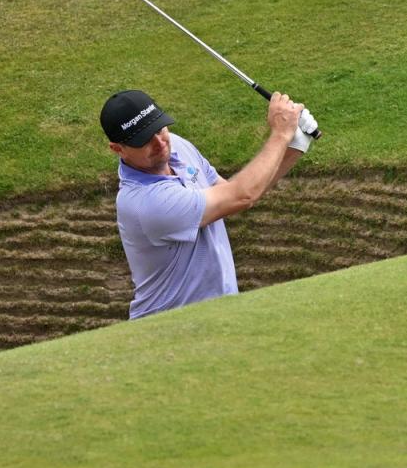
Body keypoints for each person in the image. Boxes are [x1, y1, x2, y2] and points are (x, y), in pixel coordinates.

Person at [99, 89, 318, 319]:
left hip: (218, 316)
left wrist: (294, 147)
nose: (159, 142)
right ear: (118, 149)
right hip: (169, 329)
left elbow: (235, 194)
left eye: (159, 128)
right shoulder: (147, 203)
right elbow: (241, 195)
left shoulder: (177, 147)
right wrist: (280, 135)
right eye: (143, 139)